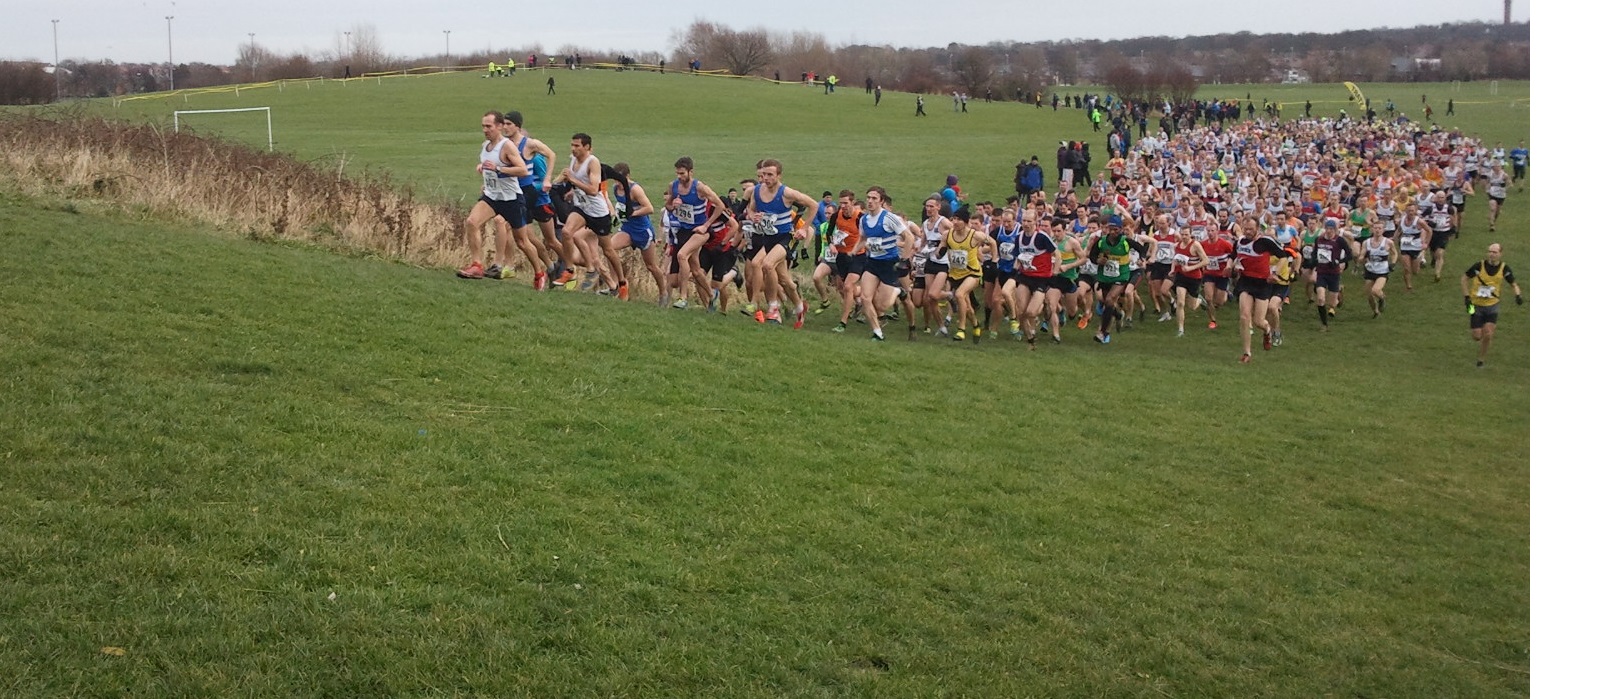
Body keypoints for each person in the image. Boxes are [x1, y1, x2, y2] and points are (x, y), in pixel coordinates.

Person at [744, 158, 819, 327]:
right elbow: (751, 208)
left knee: (767, 265)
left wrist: (804, 228)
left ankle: (773, 309)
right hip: (768, 237)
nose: (766, 178)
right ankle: (800, 306)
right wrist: (752, 216)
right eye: (763, 174)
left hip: (787, 237)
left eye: (770, 174)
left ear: (779, 175)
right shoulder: (756, 191)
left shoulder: (787, 193)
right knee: (784, 280)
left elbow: (814, 205)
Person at [456, 111, 530, 280]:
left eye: (488, 126)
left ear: (499, 126)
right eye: (483, 126)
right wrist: (483, 168)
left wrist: (498, 170)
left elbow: (523, 170)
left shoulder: (507, 146)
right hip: (492, 196)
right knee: (472, 222)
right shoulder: (485, 146)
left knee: (523, 242)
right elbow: (490, 165)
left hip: (511, 198)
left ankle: (540, 271)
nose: (485, 130)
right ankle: (477, 265)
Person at [556, 132, 618, 294]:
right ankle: (569, 270)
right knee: (567, 232)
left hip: (598, 213)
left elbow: (592, 190)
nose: (573, 149)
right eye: (572, 145)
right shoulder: (573, 161)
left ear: (587, 147)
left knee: (608, 251)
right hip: (582, 208)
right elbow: (578, 183)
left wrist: (573, 181)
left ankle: (619, 283)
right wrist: (571, 190)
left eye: (577, 146)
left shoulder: (593, 162)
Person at [663, 157, 727, 309]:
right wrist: (673, 205)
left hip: (700, 231)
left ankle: (683, 298)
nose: (679, 176)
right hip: (684, 231)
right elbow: (668, 205)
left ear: (691, 172)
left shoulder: (700, 188)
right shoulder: (674, 186)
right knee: (697, 271)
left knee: (681, 256)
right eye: (677, 173)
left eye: (682, 173)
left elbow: (720, 206)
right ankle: (712, 296)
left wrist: (706, 225)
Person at [856, 186, 915, 341]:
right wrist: (854, 250)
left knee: (882, 306)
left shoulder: (889, 218)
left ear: (881, 201)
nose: (870, 201)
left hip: (889, 263)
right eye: (868, 197)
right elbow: (863, 238)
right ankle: (877, 332)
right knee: (865, 298)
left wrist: (905, 260)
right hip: (873, 262)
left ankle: (898, 291)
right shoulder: (864, 219)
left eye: (874, 198)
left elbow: (909, 237)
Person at [606, 162, 669, 303]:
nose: (618, 183)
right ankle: (617, 284)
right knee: (609, 249)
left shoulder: (635, 190)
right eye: (615, 180)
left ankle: (663, 293)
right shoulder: (616, 189)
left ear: (628, 176)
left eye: (620, 180)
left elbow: (650, 208)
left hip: (643, 232)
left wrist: (632, 213)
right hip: (628, 229)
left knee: (651, 266)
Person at [1461, 243, 1523, 367]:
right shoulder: (1479, 265)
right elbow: (1464, 278)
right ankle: (1479, 330)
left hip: (1492, 305)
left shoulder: (1504, 269)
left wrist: (1518, 295)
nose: (1492, 254)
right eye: (1490, 251)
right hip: (1473, 304)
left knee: (1488, 334)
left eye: (1494, 252)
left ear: (1500, 254)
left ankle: (1481, 360)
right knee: (1477, 336)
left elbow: (1513, 284)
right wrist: (1466, 296)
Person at [937, 207, 993, 341]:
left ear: (966, 222)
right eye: (954, 219)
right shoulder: (947, 235)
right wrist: (940, 252)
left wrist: (994, 259)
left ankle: (961, 329)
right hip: (956, 274)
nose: (955, 222)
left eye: (959, 219)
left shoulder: (975, 235)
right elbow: (938, 253)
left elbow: (993, 243)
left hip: (972, 273)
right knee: (966, 306)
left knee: (959, 294)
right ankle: (975, 324)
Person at [1310, 217, 1355, 331]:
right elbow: (1314, 253)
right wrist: (1314, 261)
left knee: (1332, 303)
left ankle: (1339, 292)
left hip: (1334, 273)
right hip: (1321, 272)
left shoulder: (1339, 240)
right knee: (1320, 299)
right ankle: (1324, 324)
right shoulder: (1319, 239)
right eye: (1327, 228)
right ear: (1324, 229)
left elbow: (1350, 255)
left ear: (1335, 230)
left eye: (1331, 229)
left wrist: (1339, 262)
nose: (1329, 231)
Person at [1358, 222, 1396, 318]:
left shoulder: (1388, 242)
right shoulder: (1366, 242)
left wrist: (1393, 263)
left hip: (1382, 271)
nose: (1377, 230)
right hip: (1370, 270)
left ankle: (1382, 298)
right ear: (1372, 230)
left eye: (1380, 228)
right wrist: (1361, 259)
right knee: (1369, 295)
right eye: (1375, 228)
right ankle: (1375, 311)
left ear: (1383, 230)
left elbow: (1394, 253)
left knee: (1375, 290)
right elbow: (1361, 255)